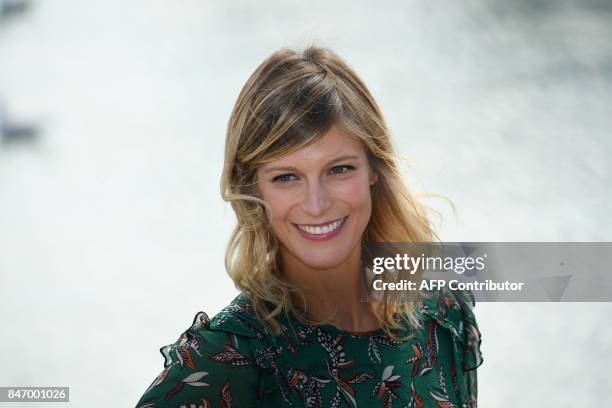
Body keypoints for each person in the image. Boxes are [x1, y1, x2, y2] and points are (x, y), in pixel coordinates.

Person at [135, 45, 483, 408]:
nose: (316, 204)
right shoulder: (227, 357)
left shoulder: (444, 311)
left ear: (374, 169)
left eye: (339, 169)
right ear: (251, 188)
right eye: (286, 177)